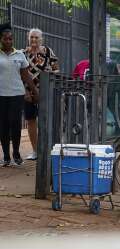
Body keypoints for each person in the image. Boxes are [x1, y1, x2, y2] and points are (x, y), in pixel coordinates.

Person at [0, 23, 38, 166]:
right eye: (5, 39)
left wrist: (34, 91)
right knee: (3, 125)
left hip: (16, 94)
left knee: (15, 123)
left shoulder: (20, 54)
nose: (8, 41)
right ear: (1, 40)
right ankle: (6, 155)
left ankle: (16, 153)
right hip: (1, 95)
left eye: (11, 39)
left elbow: (26, 76)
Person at [23, 28, 60, 161]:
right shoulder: (24, 53)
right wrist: (25, 91)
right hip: (29, 94)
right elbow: (19, 74)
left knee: (45, 121)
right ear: (28, 38)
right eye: (31, 37)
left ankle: (47, 148)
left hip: (45, 93)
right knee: (31, 121)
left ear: (41, 39)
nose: (34, 40)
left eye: (36, 37)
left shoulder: (48, 52)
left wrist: (48, 75)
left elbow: (57, 69)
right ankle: (35, 151)